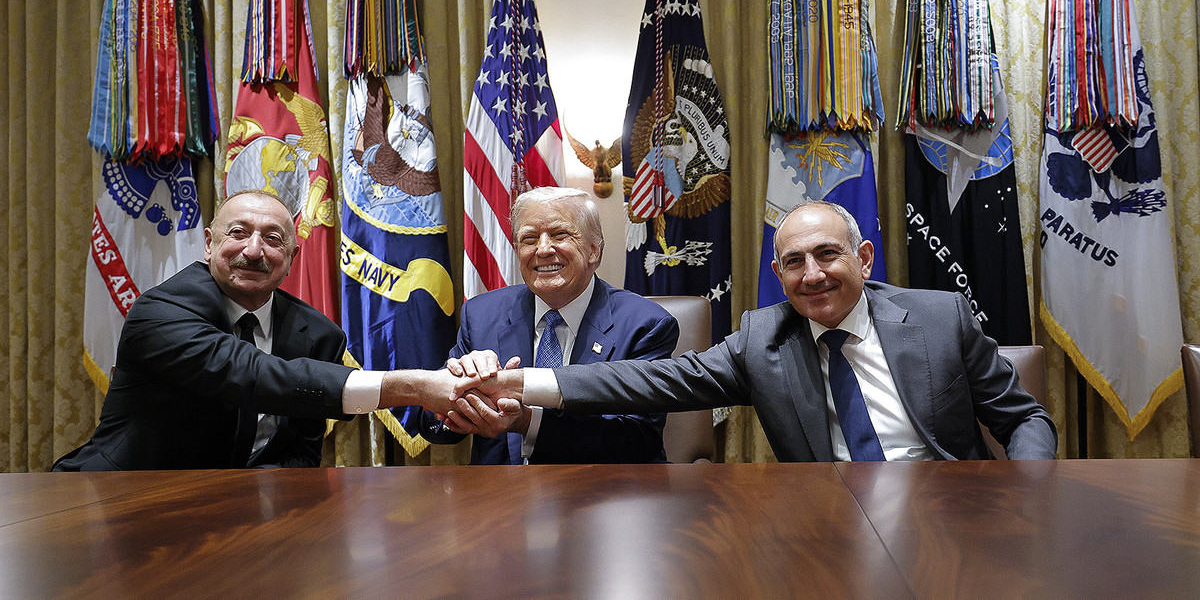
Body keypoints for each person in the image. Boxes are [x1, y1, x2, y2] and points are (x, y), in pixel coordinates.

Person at [452, 200, 1057, 462]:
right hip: (830, 519)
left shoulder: (939, 317)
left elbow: (1024, 419)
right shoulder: (763, 339)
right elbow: (648, 382)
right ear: (778, 275)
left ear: (864, 258)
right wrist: (519, 384)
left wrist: (1024, 489)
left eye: (828, 254)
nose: (812, 275)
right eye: (794, 262)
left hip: (950, 507)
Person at [54, 189, 460, 471]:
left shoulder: (319, 336)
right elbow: (251, 374)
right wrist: (414, 387)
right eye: (238, 233)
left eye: (272, 239)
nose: (253, 251)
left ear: (291, 257)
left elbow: (299, 452)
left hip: (232, 514)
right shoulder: (162, 310)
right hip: (119, 496)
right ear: (209, 244)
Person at [424, 186, 679, 464]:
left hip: (600, 486)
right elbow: (436, 428)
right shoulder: (482, 315)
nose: (543, 249)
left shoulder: (644, 325)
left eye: (560, 235)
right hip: (502, 489)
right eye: (529, 239)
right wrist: (462, 393)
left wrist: (528, 422)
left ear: (594, 250)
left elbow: (640, 441)